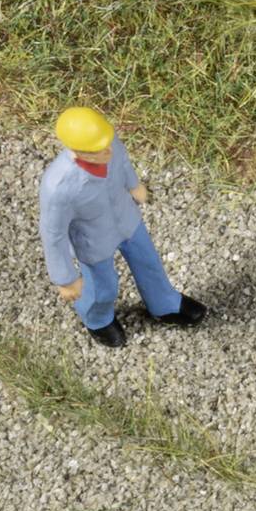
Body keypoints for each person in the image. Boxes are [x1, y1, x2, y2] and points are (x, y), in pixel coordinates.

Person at [38, 107, 207, 349]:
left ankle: (165, 304)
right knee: (102, 285)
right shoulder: (59, 186)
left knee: (148, 261)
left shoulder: (108, 143)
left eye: (107, 142)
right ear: (76, 151)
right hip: (93, 239)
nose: (108, 150)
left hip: (126, 218)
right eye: (98, 149)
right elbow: (52, 233)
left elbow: (123, 162)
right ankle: (97, 318)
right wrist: (65, 278)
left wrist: (133, 185)